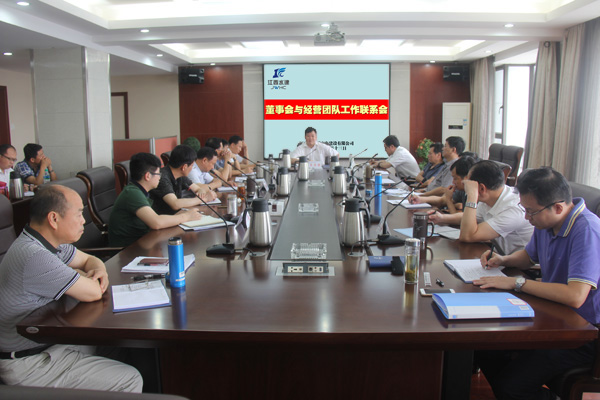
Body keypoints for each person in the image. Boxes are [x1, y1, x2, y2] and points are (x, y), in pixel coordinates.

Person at [0, 184, 142, 392]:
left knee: (120, 346)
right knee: (130, 379)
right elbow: (94, 292)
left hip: (50, 343)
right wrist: (83, 276)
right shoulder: (35, 256)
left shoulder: (47, 243)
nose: (84, 220)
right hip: (31, 363)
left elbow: (90, 260)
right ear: (54, 219)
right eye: (78, 214)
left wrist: (95, 271)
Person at [474, 167, 600, 400]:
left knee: (512, 387)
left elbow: (575, 296)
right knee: (483, 347)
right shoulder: (547, 222)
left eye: (531, 212)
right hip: (553, 317)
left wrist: (517, 283)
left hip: (582, 333)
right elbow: (530, 256)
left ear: (558, 207)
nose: (526, 218)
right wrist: (503, 259)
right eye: (525, 210)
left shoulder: (587, 230)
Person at [108, 153, 203, 247]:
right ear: (148, 176)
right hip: (129, 250)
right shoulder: (132, 193)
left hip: (144, 242)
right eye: (158, 174)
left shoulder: (140, 191)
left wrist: (178, 216)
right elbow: (156, 223)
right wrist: (186, 216)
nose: (160, 177)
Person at [458, 160, 533, 255]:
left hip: (517, 263)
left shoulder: (513, 208)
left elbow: (467, 236)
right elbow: (470, 218)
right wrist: (442, 218)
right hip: (499, 257)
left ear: (481, 188)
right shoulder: (491, 196)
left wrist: (472, 196)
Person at [150, 145, 217, 215]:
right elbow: (175, 204)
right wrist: (204, 199)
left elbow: (198, 188)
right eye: (192, 166)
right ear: (184, 167)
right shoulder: (162, 177)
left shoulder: (180, 175)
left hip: (175, 215)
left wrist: (201, 192)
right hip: (163, 218)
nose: (192, 169)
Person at [411, 155, 478, 226]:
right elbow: (442, 200)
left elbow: (458, 221)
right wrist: (421, 199)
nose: (453, 182)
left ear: (466, 178)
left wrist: (449, 200)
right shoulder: (462, 190)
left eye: (455, 178)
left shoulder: (476, 194)